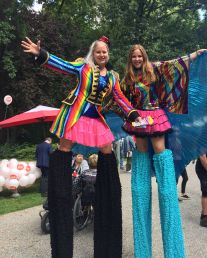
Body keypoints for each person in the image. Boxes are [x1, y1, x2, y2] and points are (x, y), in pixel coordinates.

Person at [21, 36, 140, 258]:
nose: (102, 55)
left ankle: (106, 193)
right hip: (76, 114)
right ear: (93, 54)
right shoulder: (83, 67)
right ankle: (58, 188)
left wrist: (133, 114)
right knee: (64, 149)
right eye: (98, 52)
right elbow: (63, 65)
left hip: (95, 118)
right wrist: (41, 53)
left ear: (108, 54)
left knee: (106, 149)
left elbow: (121, 99)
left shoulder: (113, 78)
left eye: (105, 52)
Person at [120, 44, 206, 258]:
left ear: (144, 57)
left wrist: (194, 55)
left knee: (160, 151)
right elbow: (118, 97)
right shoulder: (127, 79)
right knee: (140, 154)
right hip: (137, 118)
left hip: (154, 115)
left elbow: (174, 65)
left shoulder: (153, 69)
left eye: (140, 56)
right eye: (134, 56)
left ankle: (167, 185)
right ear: (130, 59)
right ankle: (143, 250)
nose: (137, 59)